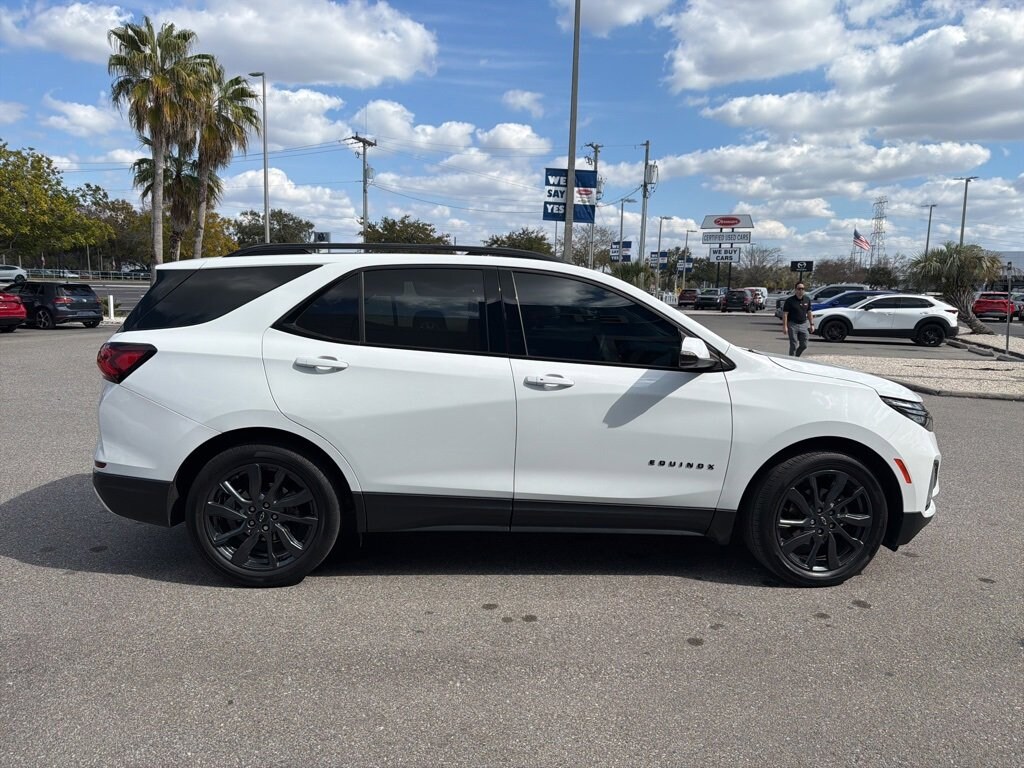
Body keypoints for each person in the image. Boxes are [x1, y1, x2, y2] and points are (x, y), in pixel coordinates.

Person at [781, 282, 814, 357]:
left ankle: (796, 357)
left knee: (804, 345)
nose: (801, 290)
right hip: (792, 324)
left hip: (803, 324)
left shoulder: (807, 299)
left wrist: (812, 324)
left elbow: (809, 312)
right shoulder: (789, 301)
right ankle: (792, 360)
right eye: (799, 289)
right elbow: (785, 314)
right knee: (793, 344)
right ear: (795, 290)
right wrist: (785, 326)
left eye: (802, 289)